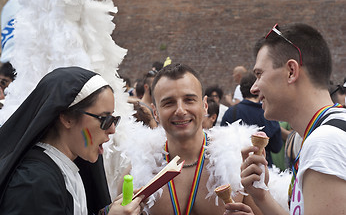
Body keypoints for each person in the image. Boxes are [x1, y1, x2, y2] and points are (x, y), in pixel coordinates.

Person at [225, 23, 346, 215]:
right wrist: (261, 197)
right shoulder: (330, 128)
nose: (254, 88)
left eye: (259, 74)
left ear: (291, 71)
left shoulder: (324, 143)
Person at [118, 63, 265, 215]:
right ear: (155, 112)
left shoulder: (238, 163)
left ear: (205, 105)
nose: (180, 110)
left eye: (189, 100)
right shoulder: (137, 172)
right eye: (169, 103)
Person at [0, 67, 143, 214]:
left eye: (114, 119)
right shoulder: (34, 182)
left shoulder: (66, 168)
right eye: (105, 119)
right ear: (67, 118)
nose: (112, 129)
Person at [221, 72, 282, 167]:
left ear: (241, 91)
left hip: (236, 169)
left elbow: (222, 144)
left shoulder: (230, 112)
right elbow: (276, 147)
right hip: (264, 170)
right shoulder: (268, 113)